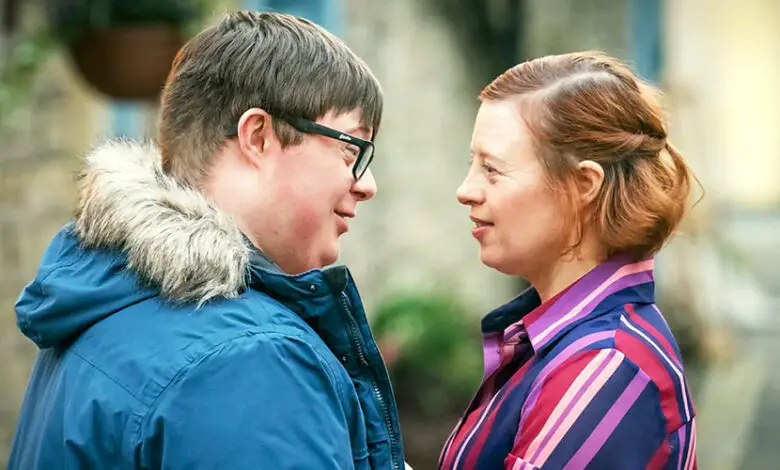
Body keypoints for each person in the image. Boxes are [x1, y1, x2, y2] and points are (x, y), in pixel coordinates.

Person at [9, 11, 406, 470]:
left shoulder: (105, 302)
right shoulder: (250, 360)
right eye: (351, 150)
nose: (367, 184)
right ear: (258, 136)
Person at [439, 51, 698, 469]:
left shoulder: (605, 365)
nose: (465, 190)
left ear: (584, 184)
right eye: (472, 164)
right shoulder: (557, 339)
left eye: (492, 169)